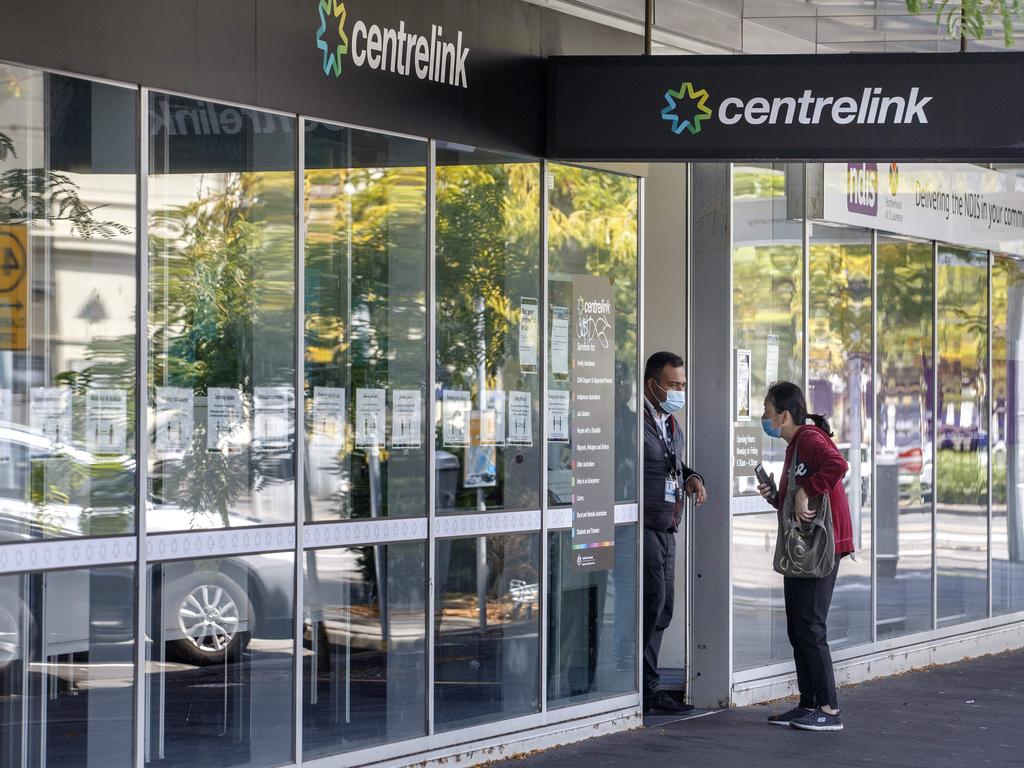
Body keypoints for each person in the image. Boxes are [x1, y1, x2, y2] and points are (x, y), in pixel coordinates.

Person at [756, 381, 854, 732]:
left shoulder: (810, 440)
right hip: (804, 547)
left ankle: (829, 711)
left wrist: (806, 491)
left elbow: (837, 465)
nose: (764, 419)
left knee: (811, 628)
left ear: (784, 415)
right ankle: (809, 703)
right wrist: (778, 496)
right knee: (798, 628)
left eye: (767, 413)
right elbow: (798, 500)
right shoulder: (795, 446)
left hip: (821, 547)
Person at [641, 351, 707, 714]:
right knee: (651, 604)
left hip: (668, 527)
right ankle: (645, 689)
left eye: (683, 384)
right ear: (653, 385)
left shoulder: (669, 423)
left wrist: (693, 477)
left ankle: (650, 685)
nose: (680, 391)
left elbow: (672, 464)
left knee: (664, 606)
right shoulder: (636, 422)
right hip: (645, 528)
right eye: (673, 385)